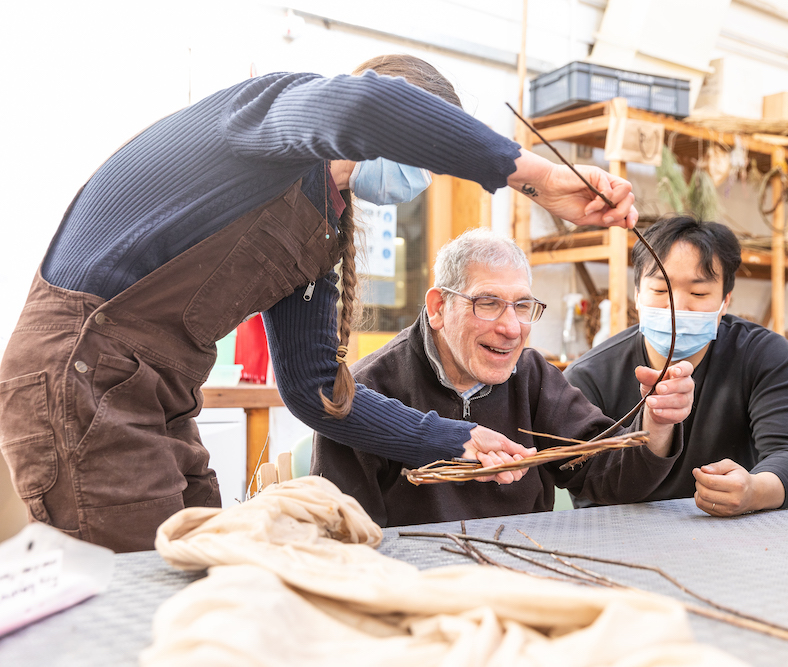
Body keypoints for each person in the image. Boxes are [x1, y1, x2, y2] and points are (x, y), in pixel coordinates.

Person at [0, 55, 640, 552]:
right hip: (81, 378)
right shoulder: (268, 117)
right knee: (136, 596)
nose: (420, 181)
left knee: (196, 570)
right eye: (426, 155)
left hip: (156, 394)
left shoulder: (321, 230)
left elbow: (315, 395)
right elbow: (371, 104)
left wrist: (455, 439)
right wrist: (536, 175)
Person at [312, 229, 695, 527]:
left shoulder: (533, 377)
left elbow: (614, 480)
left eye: (523, 306)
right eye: (488, 303)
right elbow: (344, 537)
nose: (512, 328)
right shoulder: (365, 395)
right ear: (438, 307)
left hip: (526, 570)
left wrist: (658, 423)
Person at [564, 215, 788, 516]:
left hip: (736, 534)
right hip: (621, 538)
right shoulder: (588, 377)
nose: (677, 308)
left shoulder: (763, 356)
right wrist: (654, 429)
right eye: (660, 291)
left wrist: (754, 490)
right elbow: (585, 481)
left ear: (725, 301)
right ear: (637, 295)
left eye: (698, 293)